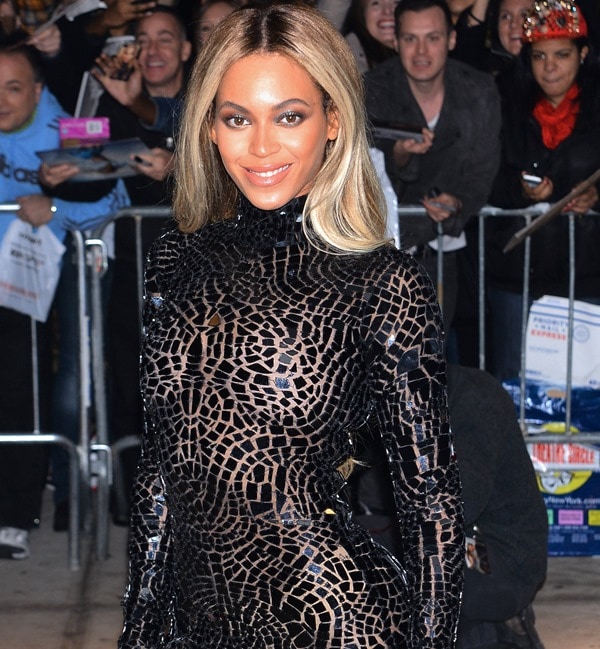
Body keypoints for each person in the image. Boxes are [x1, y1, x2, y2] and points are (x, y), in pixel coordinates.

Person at [118, 3, 464, 647]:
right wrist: (139, 630)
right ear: (210, 128)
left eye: (290, 116)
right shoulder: (176, 261)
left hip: (335, 621)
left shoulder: (381, 283)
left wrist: (435, 638)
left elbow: (430, 502)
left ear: (333, 121)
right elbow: (163, 471)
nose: (262, 146)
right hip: (196, 625)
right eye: (237, 118)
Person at [0, 42, 129, 557]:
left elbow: (111, 201)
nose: (2, 100)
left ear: (37, 90)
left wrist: (54, 206)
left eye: (12, 87)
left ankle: (64, 493)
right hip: (13, 278)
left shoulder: (72, 129)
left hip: (74, 264)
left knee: (72, 379)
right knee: (18, 384)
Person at [351, 365, 548, 649]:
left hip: (492, 555)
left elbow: (458, 505)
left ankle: (495, 632)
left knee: (371, 559)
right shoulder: (376, 403)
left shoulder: (471, 393)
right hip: (434, 541)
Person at [89, 6, 191, 523]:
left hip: (196, 272)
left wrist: (180, 168)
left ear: (187, 50)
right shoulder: (110, 100)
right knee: (131, 385)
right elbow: (85, 164)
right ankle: (135, 504)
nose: (152, 50)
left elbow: (179, 122)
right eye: (142, 39)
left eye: (165, 39)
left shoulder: (204, 104)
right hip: (129, 267)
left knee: (191, 391)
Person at [364, 0, 501, 330]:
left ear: (452, 39)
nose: (421, 51)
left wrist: (459, 202)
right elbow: (361, 171)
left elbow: (484, 169)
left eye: (433, 38)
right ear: (396, 41)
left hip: (445, 252)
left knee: (434, 355)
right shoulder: (373, 89)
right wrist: (398, 156)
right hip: (379, 255)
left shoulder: (479, 90)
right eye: (410, 39)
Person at [486, 0, 600, 381]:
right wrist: (519, 190)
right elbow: (484, 179)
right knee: (514, 390)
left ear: (583, 54)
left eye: (562, 54)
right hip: (517, 277)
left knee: (583, 394)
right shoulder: (505, 102)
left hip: (586, 276)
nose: (550, 66)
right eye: (539, 56)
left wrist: (595, 198)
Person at [342, 0, 399, 73]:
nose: (387, 11)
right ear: (363, 13)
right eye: (376, 3)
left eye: (396, 2)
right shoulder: (350, 55)